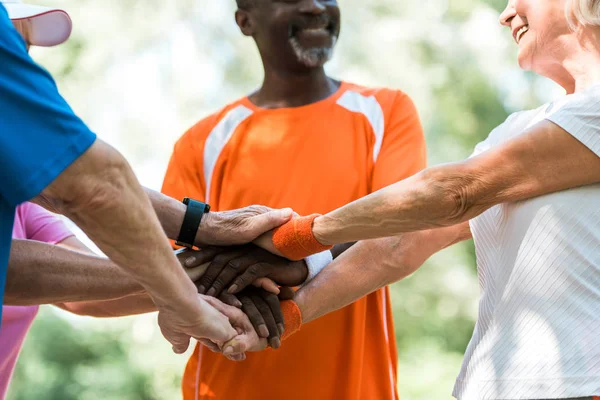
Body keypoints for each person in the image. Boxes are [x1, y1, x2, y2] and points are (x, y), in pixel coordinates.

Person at [222, 0, 600, 398]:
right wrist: (287, 316)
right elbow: (400, 243)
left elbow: (455, 193)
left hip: (580, 382)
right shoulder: (518, 128)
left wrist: (296, 236)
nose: (505, 14)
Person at [160, 0, 426, 398]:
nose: (316, 6)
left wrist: (294, 260)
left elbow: (402, 228)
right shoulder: (201, 142)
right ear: (245, 20)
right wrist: (249, 275)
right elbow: (172, 269)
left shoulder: (386, 112)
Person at [0, 0, 292, 354]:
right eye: (17, 47)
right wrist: (185, 280)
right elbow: (92, 184)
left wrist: (192, 270)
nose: (28, 68)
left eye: (26, 51)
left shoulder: (18, 197)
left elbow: (74, 292)